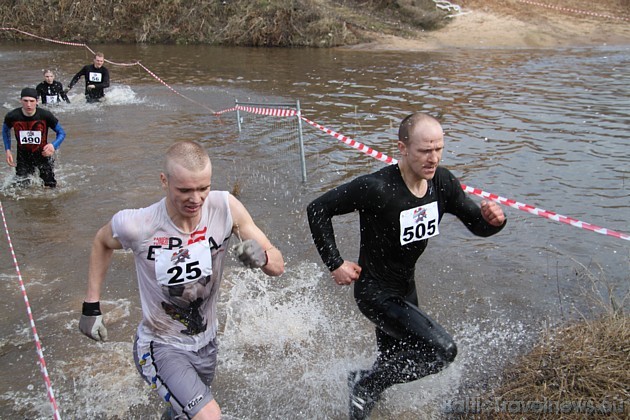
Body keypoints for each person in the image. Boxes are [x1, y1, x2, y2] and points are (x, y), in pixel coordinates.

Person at [307, 112, 506, 419]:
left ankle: (363, 391)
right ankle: (364, 386)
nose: (433, 158)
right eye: (425, 151)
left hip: (405, 292)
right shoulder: (377, 188)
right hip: (375, 293)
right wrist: (335, 263)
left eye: (439, 148)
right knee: (442, 351)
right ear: (402, 148)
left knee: (390, 365)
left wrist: (494, 221)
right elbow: (318, 208)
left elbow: (477, 224)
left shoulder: (442, 183)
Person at [78, 140, 284, 420]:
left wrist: (263, 257)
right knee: (208, 415)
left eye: (203, 188)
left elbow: (277, 264)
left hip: (206, 342)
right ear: (164, 181)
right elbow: (101, 241)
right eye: (185, 190)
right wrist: (91, 306)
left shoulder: (225, 208)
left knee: (183, 412)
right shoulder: (139, 224)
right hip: (161, 345)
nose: (196, 199)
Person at [2, 87, 67, 188]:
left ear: (37, 101)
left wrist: (53, 145)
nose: (28, 105)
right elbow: (5, 131)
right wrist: (8, 150)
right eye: (25, 101)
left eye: (32, 101)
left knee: (50, 185)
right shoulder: (12, 116)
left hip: (43, 154)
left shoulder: (46, 115)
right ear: (20, 101)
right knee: (22, 187)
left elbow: (61, 133)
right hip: (23, 156)